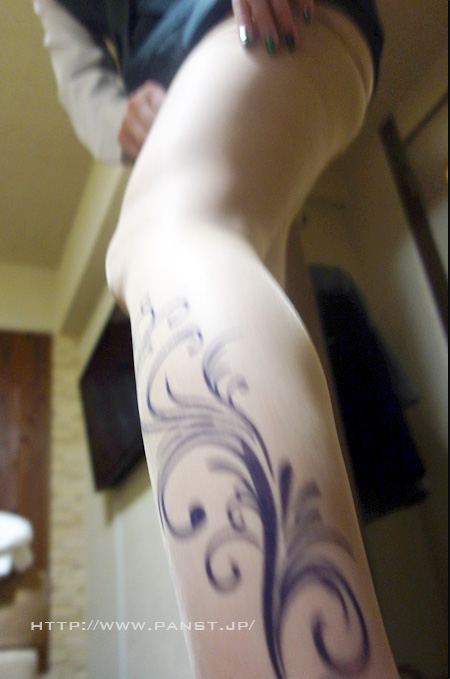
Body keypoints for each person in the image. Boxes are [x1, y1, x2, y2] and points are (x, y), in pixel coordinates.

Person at [36, 1, 400, 677]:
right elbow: (77, 72)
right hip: (187, 89)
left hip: (258, 24)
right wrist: (115, 116)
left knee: (160, 234)